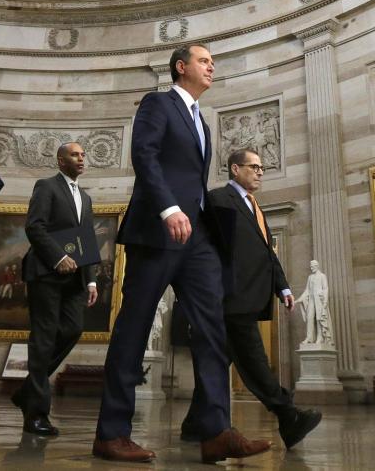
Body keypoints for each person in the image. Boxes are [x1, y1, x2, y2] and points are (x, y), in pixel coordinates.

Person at [93, 45, 270, 464]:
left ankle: (216, 432)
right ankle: (111, 434)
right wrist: (167, 207)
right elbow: (145, 155)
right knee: (134, 327)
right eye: (204, 61)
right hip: (158, 230)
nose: (212, 66)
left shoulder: (202, 122)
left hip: (197, 238)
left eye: (212, 62)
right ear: (181, 67)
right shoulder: (158, 103)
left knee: (212, 327)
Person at [182, 149, 322, 450]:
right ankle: (287, 415)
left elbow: (266, 251)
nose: (260, 172)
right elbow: (211, 250)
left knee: (218, 363)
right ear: (235, 169)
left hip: (249, 296)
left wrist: (283, 287)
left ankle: (194, 426)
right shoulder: (219, 199)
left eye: (261, 168)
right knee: (254, 359)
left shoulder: (254, 205)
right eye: (254, 166)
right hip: (230, 296)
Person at [12, 142, 99, 436]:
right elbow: (34, 227)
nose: (81, 159)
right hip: (45, 273)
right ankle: (36, 414)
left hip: (75, 279)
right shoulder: (46, 186)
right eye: (75, 155)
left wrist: (91, 280)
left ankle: (27, 391)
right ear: (61, 160)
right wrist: (58, 257)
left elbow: (86, 238)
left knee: (73, 329)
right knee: (44, 339)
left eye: (83, 155)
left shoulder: (86, 198)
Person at [298, 260, 334, 346]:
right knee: (310, 317)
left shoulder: (322, 276)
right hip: (311, 299)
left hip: (319, 300)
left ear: (317, 266)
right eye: (311, 267)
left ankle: (320, 337)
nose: (311, 268)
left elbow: (325, 288)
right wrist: (300, 298)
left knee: (319, 318)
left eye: (312, 266)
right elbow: (307, 290)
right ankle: (309, 338)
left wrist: (325, 301)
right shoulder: (310, 277)